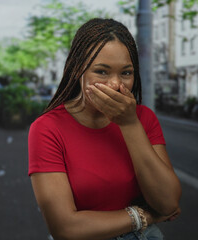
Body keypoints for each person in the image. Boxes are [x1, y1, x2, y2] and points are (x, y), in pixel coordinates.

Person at [28, 18, 181, 240]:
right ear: (78, 69)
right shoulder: (47, 128)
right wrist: (143, 216)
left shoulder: (142, 118)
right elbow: (65, 228)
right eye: (102, 71)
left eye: (126, 73)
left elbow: (168, 203)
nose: (115, 85)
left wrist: (129, 124)